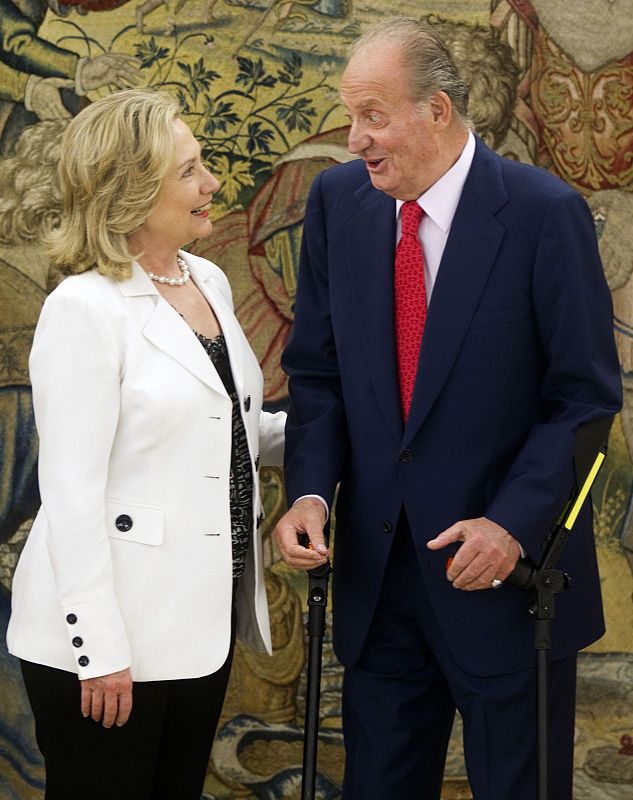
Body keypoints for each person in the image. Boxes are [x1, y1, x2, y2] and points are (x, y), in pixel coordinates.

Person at [273, 16, 622, 800]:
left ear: (436, 109)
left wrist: (511, 524)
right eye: (350, 114)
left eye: (372, 114)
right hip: (379, 585)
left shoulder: (541, 214)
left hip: (506, 584)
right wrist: (307, 491)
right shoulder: (338, 205)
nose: (354, 138)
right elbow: (316, 375)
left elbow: (585, 399)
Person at [6, 88, 285, 800]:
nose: (211, 183)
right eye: (189, 170)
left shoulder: (207, 280)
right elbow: (70, 495)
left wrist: (341, 436)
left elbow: (222, 428)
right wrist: (98, 652)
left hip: (197, 625)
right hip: (107, 645)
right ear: (131, 193)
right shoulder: (83, 309)